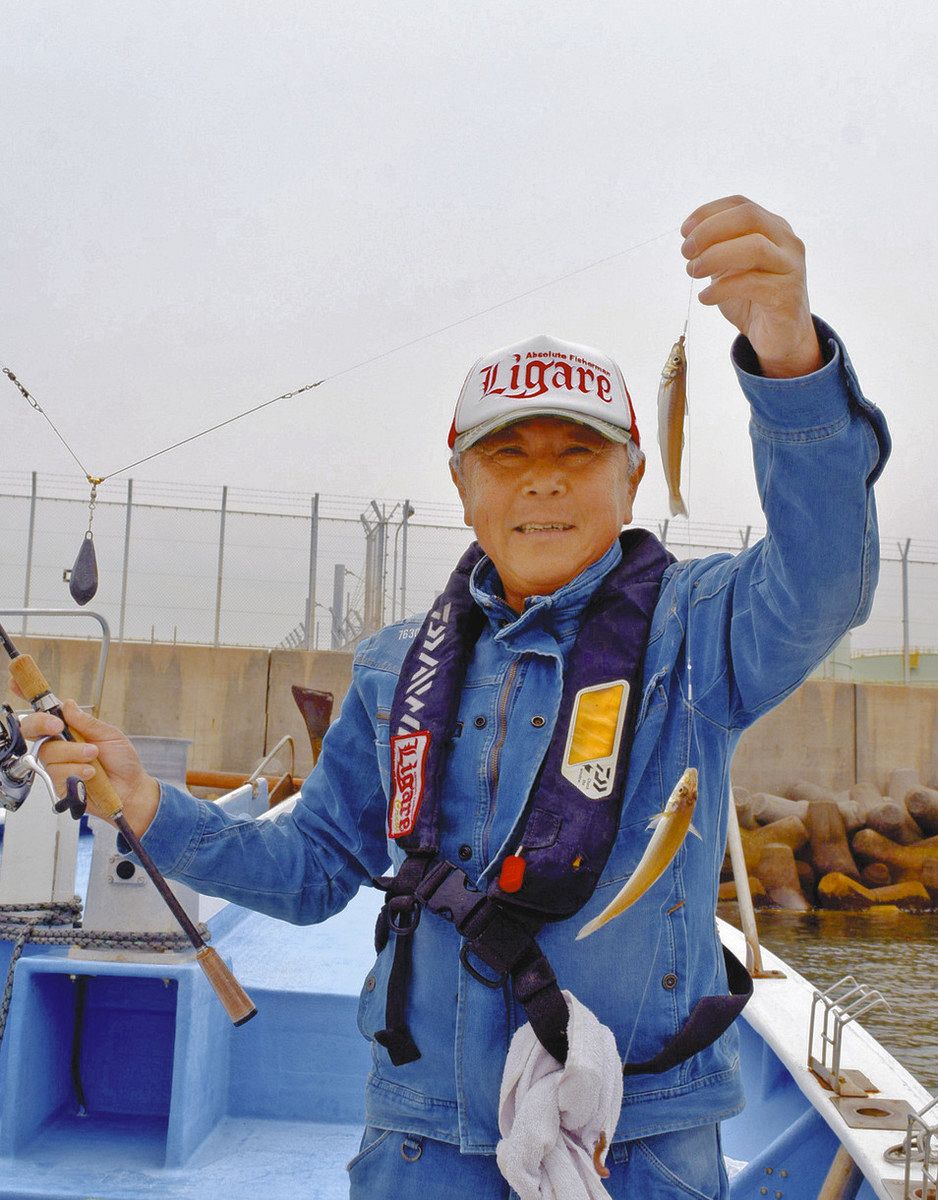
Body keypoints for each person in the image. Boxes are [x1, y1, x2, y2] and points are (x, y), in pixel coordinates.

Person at [13, 196, 890, 1199]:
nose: (542, 484)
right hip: (419, 1144)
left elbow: (825, 578)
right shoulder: (393, 668)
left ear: (634, 475)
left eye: (577, 454)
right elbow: (311, 872)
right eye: (507, 456)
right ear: (461, 483)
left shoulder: (699, 633)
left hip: (637, 1144)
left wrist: (787, 357)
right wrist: (148, 807)